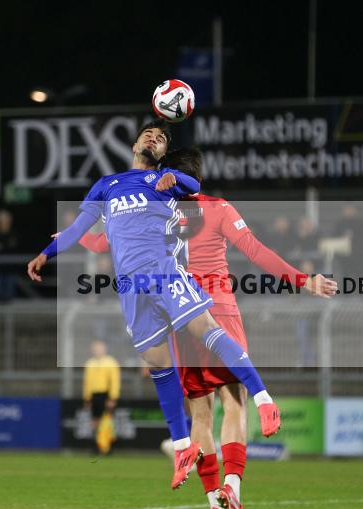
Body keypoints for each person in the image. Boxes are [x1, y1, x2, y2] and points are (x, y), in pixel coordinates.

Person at [76, 148, 336, 509]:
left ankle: (215, 506)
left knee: (200, 415)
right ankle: (232, 487)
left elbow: (104, 243)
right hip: (218, 310)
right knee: (234, 404)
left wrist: (75, 235)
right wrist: (303, 279)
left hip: (177, 317)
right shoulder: (216, 208)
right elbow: (255, 251)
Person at [27, 121, 284, 490]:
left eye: (161, 138)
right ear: (134, 143)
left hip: (163, 271)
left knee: (207, 330)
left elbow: (194, 186)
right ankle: (182, 447)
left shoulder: (163, 180)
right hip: (131, 286)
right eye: (148, 134)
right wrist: (45, 253)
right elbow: (77, 229)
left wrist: (173, 179)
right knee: (156, 362)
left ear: (163, 154)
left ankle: (263, 399)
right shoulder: (107, 185)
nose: (153, 138)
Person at [82, 340, 121, 455]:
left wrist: (113, 398)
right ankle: (96, 446)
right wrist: (87, 398)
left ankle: (108, 447)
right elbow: (87, 383)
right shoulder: (89, 364)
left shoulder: (111, 363)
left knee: (108, 421)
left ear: (105, 349)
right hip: (94, 396)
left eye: (100, 348)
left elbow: (114, 381)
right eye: (95, 348)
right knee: (95, 422)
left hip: (106, 395)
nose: (98, 351)